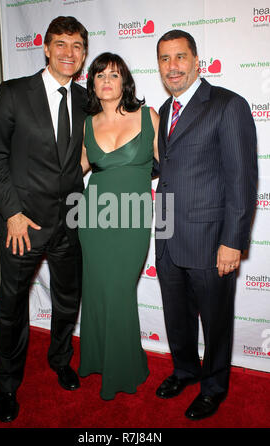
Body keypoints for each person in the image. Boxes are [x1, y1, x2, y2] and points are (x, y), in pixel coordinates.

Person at [0, 16, 88, 423]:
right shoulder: (13, 93)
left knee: (67, 301)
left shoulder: (86, 100)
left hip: (71, 223)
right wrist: (10, 213)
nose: (68, 53)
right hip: (22, 224)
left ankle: (61, 359)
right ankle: (7, 384)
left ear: (83, 54)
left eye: (77, 46)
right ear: (45, 48)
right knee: (12, 306)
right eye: (60, 44)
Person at [155, 30, 257, 420]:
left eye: (180, 57)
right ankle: (184, 370)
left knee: (215, 322)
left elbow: (242, 180)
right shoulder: (165, 111)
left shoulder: (227, 105)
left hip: (211, 240)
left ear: (197, 61)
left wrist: (233, 241)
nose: (173, 66)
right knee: (175, 316)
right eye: (165, 58)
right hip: (167, 237)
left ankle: (214, 387)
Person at [77, 52, 159, 400]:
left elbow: (171, 167)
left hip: (132, 218)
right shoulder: (86, 124)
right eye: (99, 75)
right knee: (97, 292)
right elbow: (71, 173)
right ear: (92, 83)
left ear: (125, 81)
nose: (107, 80)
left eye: (114, 74)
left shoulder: (148, 116)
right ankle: (97, 359)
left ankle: (124, 369)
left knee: (119, 291)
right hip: (93, 218)